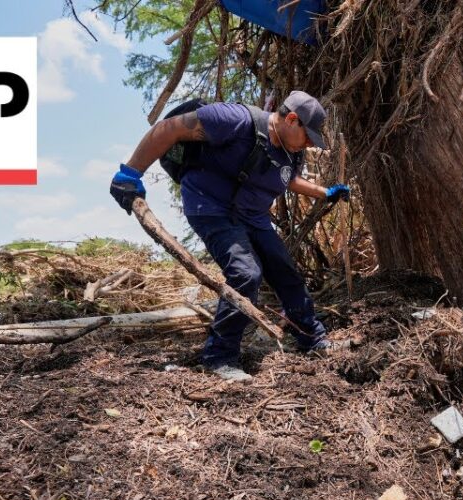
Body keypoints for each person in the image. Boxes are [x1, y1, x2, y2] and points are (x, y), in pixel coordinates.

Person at [108, 91, 350, 382]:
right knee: (246, 273)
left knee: (285, 271)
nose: (310, 143)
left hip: (253, 215)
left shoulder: (291, 150)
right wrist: (130, 173)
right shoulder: (234, 119)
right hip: (210, 207)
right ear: (291, 119)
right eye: (308, 135)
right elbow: (167, 129)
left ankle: (313, 339)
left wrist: (324, 192)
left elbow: (289, 178)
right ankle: (219, 357)